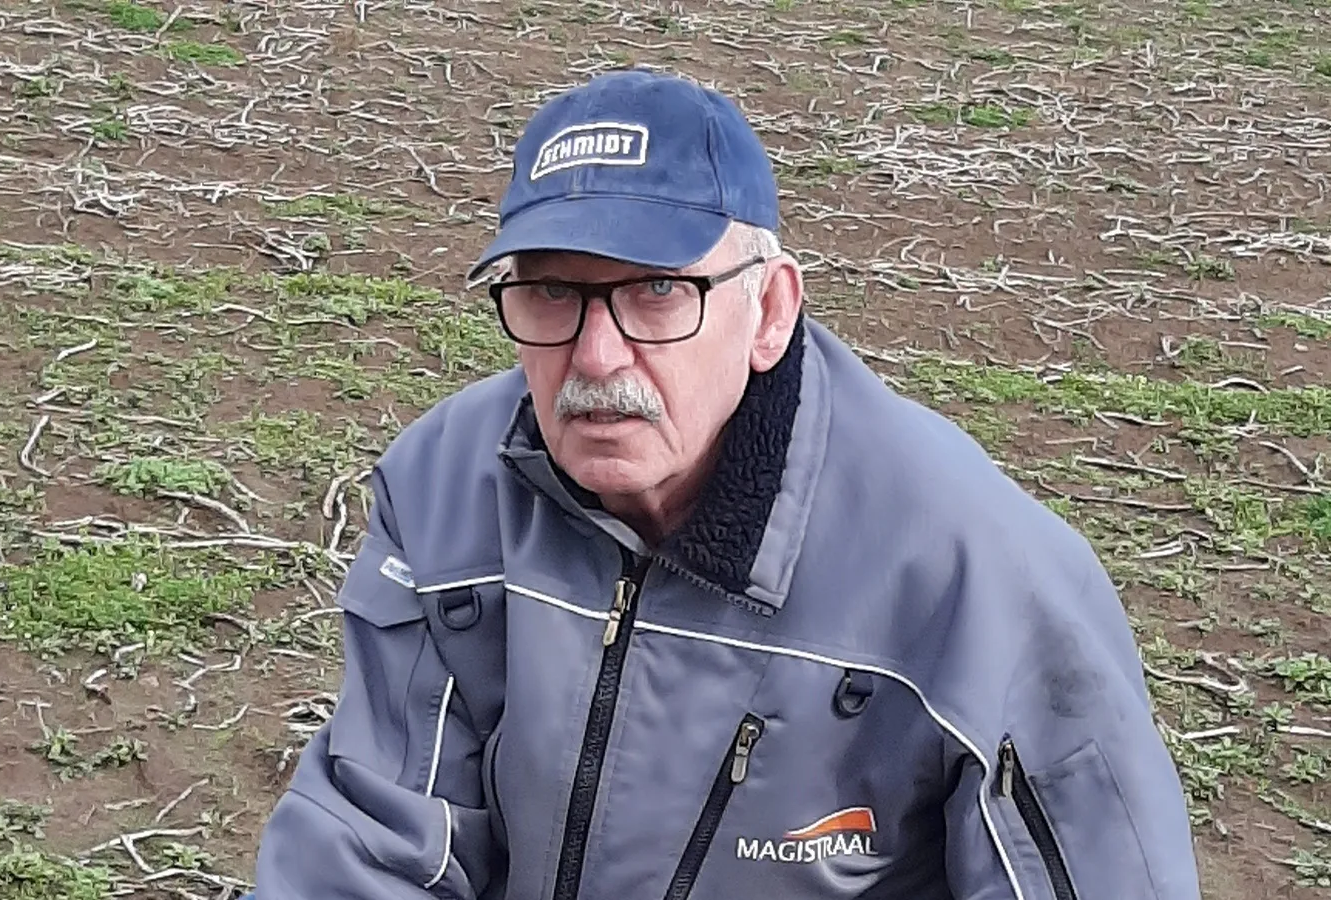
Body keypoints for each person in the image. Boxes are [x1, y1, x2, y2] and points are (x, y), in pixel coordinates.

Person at [247, 68, 1203, 900]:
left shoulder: (978, 574)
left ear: (769, 310)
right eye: (551, 293)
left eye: (657, 291)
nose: (597, 356)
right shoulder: (445, 488)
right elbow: (371, 847)